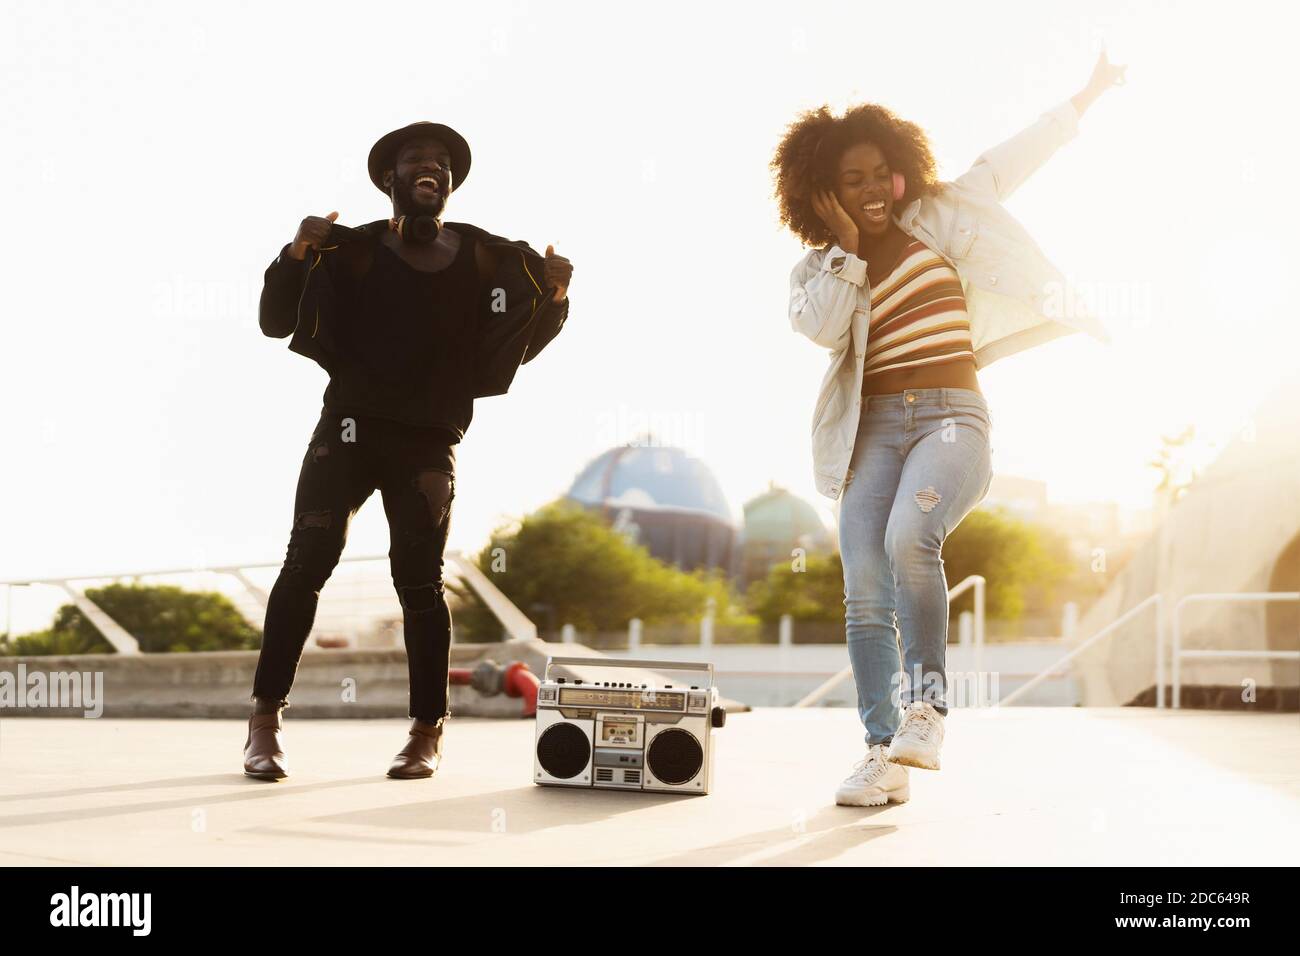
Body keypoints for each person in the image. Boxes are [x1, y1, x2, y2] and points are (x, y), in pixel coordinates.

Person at [772, 52, 1125, 806]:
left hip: (951, 419)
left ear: (900, 170)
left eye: (878, 174)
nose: (870, 190)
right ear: (824, 193)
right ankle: (882, 753)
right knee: (864, 586)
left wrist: (1086, 95)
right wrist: (847, 252)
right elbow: (824, 330)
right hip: (870, 433)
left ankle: (926, 707)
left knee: (910, 537)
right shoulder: (818, 271)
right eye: (850, 181)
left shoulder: (947, 208)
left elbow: (1018, 154)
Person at [243, 121, 574, 781]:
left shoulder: (485, 258)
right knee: (306, 562)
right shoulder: (356, 251)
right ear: (389, 179)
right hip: (348, 431)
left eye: (443, 163)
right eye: (417, 159)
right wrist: (294, 254)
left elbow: (514, 341)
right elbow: (276, 320)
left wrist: (556, 298)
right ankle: (263, 723)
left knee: (419, 583)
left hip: (427, 441)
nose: (433, 167)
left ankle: (426, 732)